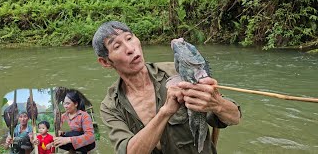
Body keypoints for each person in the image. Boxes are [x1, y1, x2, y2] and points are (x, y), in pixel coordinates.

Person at [92, 21, 242, 154]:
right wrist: (165, 112)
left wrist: (217, 104)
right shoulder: (111, 106)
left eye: (129, 38)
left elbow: (234, 118)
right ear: (105, 62)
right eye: (117, 46)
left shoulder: (179, 71)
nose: (130, 48)